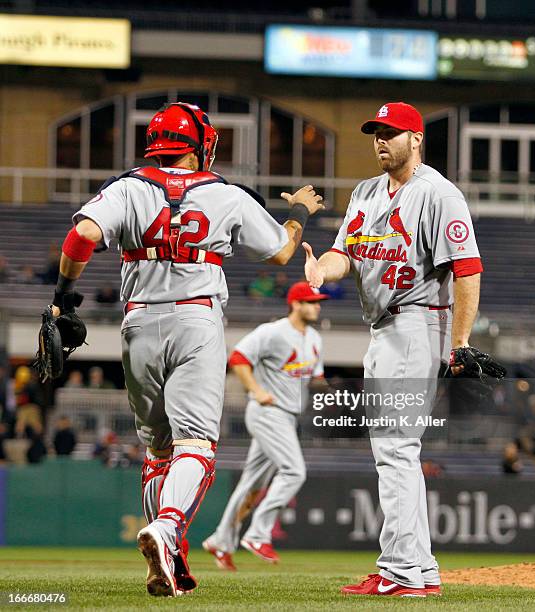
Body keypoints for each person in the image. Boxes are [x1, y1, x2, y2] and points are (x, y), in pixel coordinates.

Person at [44, 101, 323, 597]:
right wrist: (299, 209)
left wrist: (63, 300)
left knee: (158, 451)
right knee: (196, 446)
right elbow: (283, 250)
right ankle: (168, 528)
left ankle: (168, 559)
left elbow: (82, 235)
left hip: (138, 322)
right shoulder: (224, 193)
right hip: (195, 317)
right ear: (198, 147)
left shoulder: (128, 186)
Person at [303, 102, 483, 598]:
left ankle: (399, 571)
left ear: (416, 139)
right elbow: (346, 253)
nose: (381, 140)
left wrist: (461, 342)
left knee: (395, 449)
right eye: (376, 133)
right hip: (384, 328)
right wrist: (323, 270)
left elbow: (467, 268)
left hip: (418, 323)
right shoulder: (364, 192)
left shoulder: (439, 194)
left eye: (392, 132)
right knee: (396, 449)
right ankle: (420, 569)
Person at [203, 281, 327, 570]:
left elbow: (315, 378)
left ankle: (221, 540)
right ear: (295, 304)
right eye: (311, 301)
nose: (317, 306)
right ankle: (258, 534)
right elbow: (238, 358)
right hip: (267, 412)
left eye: (317, 301)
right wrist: (256, 390)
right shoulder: (273, 332)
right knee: (294, 471)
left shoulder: (315, 339)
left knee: (251, 484)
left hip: (287, 417)